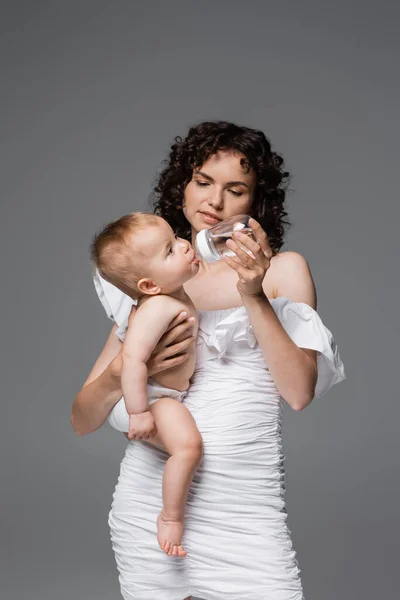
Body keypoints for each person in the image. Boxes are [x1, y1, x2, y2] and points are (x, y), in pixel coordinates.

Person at [71, 121, 345, 600]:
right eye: (202, 182)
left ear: (255, 203)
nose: (213, 202)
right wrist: (126, 372)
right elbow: (81, 419)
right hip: (149, 505)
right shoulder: (153, 284)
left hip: (243, 510)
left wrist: (253, 295)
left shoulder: (284, 271)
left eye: (234, 189)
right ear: (182, 186)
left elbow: (299, 393)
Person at [90, 212, 202, 557]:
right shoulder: (157, 307)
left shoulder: (173, 296)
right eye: (170, 250)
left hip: (160, 393)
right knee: (188, 447)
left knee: (186, 442)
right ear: (149, 286)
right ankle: (169, 518)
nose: (185, 246)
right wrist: (139, 412)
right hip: (149, 397)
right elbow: (133, 361)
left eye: (177, 239)